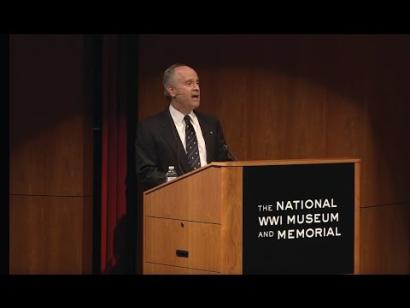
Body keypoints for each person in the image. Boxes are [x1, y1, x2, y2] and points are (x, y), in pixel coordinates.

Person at [136, 63, 234, 190]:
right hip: (173, 201)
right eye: (189, 83)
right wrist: (179, 183)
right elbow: (146, 172)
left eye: (197, 83)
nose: (196, 88)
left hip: (212, 198)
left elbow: (224, 162)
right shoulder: (150, 127)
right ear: (171, 90)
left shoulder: (211, 124)